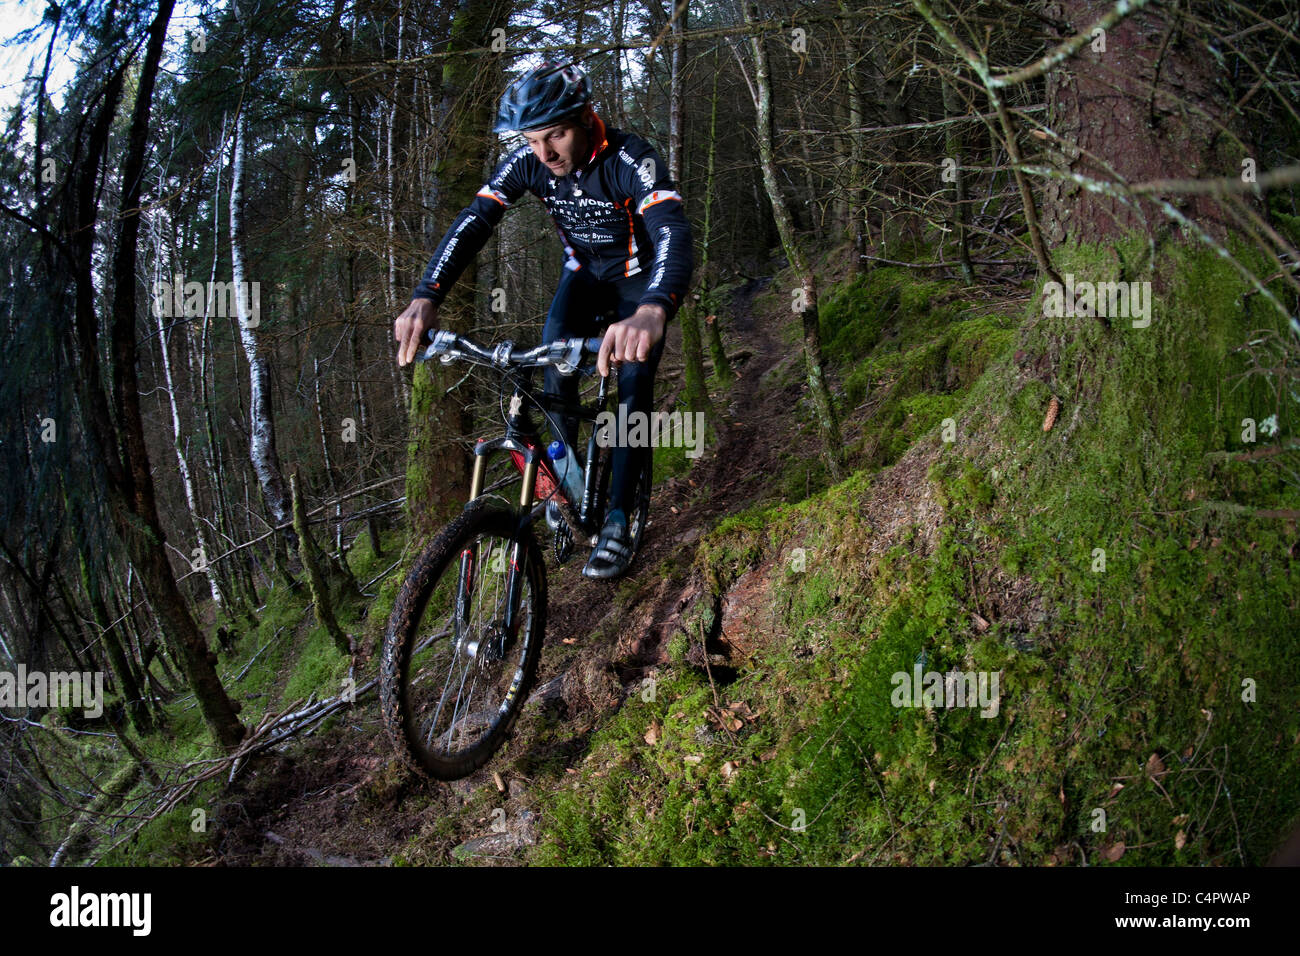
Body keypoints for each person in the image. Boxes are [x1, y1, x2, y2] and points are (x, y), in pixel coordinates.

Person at [393, 61, 694, 580]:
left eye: (555, 135)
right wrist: (426, 295)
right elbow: (474, 221)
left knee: (633, 385)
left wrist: (653, 310)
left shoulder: (630, 158)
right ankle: (568, 489)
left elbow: (672, 231)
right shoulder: (529, 163)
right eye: (533, 140)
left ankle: (619, 517)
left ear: (585, 118)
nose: (545, 154)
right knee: (552, 379)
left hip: (637, 285)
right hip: (581, 279)